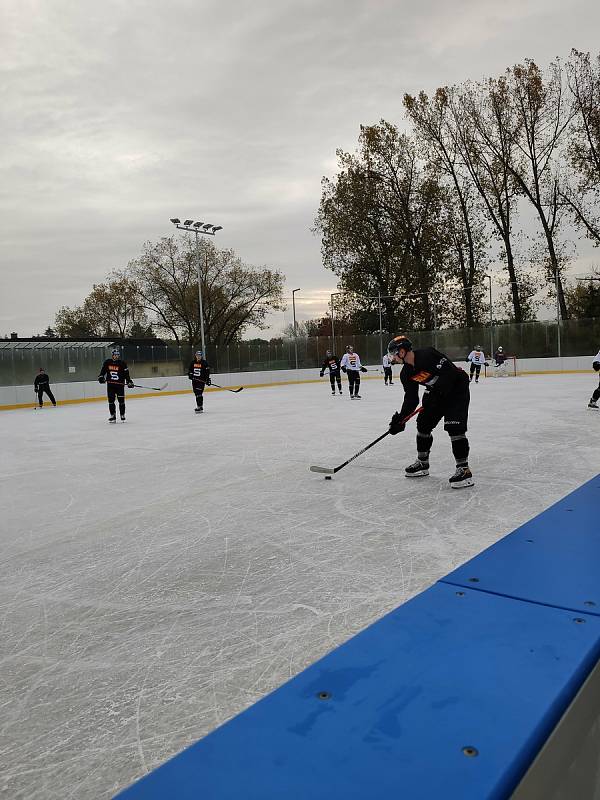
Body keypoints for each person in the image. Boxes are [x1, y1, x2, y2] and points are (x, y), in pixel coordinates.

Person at [387, 335, 474, 489]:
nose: (392, 357)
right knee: (423, 424)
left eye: (393, 353)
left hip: (457, 389)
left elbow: (450, 373)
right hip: (436, 393)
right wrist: (401, 419)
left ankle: (464, 469)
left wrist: (435, 394)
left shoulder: (428, 354)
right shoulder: (406, 373)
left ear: (402, 351)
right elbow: (411, 399)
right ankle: (422, 463)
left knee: (455, 428)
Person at [98, 348, 133, 422]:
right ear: (112, 355)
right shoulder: (107, 362)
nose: (116, 356)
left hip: (120, 385)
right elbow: (102, 372)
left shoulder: (122, 363)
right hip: (110, 385)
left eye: (118, 355)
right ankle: (113, 415)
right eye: (115, 355)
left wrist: (129, 381)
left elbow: (126, 374)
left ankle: (122, 414)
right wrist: (101, 377)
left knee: (121, 401)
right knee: (111, 401)